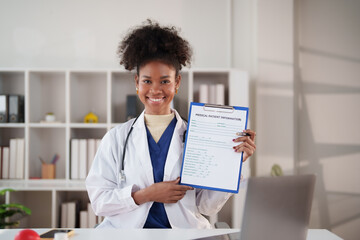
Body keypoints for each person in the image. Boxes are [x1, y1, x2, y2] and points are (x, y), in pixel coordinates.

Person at [85, 20, 256, 229]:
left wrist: (233, 162)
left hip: (183, 234)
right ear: (137, 83)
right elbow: (100, 202)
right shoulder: (116, 138)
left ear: (177, 83)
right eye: (147, 81)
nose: (155, 90)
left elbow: (206, 206)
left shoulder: (199, 135)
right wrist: (146, 195)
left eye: (165, 81)